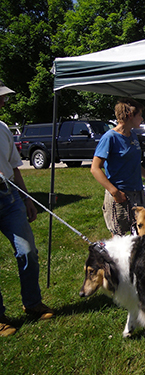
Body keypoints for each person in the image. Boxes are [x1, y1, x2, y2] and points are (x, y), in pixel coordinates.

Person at [0, 81, 54, 337]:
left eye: (4, 98)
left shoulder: (3, 129)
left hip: (8, 197)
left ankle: (32, 303)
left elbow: (14, 167)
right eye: (0, 98)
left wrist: (27, 198)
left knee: (28, 251)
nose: (3, 103)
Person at [91, 98, 145, 236]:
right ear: (130, 115)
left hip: (138, 193)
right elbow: (95, 168)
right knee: (120, 238)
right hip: (121, 195)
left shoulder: (133, 136)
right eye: (140, 115)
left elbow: (136, 165)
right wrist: (115, 192)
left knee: (141, 234)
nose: (142, 118)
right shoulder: (110, 137)